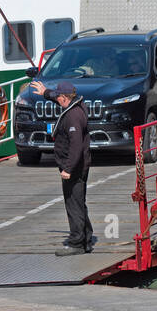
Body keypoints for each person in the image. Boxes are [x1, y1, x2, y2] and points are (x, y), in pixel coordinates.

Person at [28, 79, 93, 255]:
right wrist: (45, 93)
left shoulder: (72, 116)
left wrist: (68, 169)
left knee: (74, 204)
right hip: (77, 165)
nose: (56, 99)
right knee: (78, 202)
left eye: (58, 97)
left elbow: (76, 146)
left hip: (75, 167)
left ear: (65, 98)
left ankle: (76, 243)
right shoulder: (76, 105)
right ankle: (86, 238)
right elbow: (56, 96)